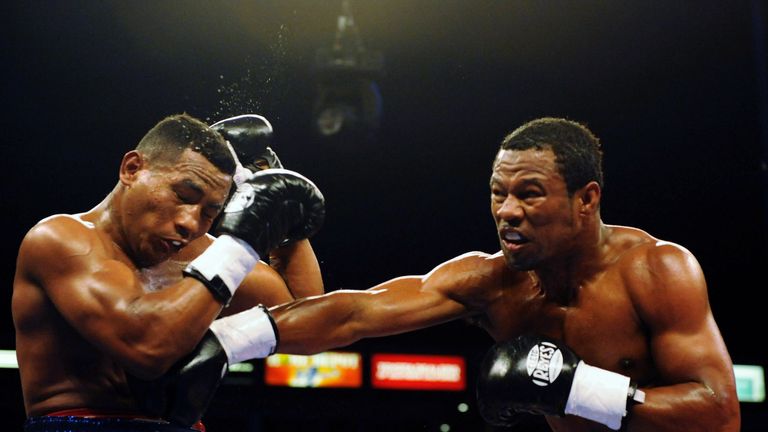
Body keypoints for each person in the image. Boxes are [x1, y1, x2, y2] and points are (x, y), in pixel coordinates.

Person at [167, 116, 740, 431]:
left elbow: (719, 413)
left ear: (586, 199)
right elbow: (355, 312)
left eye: (529, 194)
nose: (507, 211)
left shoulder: (657, 269)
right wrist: (226, 340)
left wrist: (581, 390)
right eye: (498, 193)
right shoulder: (493, 282)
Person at [12, 113, 325, 432]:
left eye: (209, 213)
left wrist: (281, 211)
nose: (190, 223)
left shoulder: (206, 254)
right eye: (183, 196)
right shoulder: (60, 239)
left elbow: (307, 317)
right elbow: (144, 347)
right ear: (132, 169)